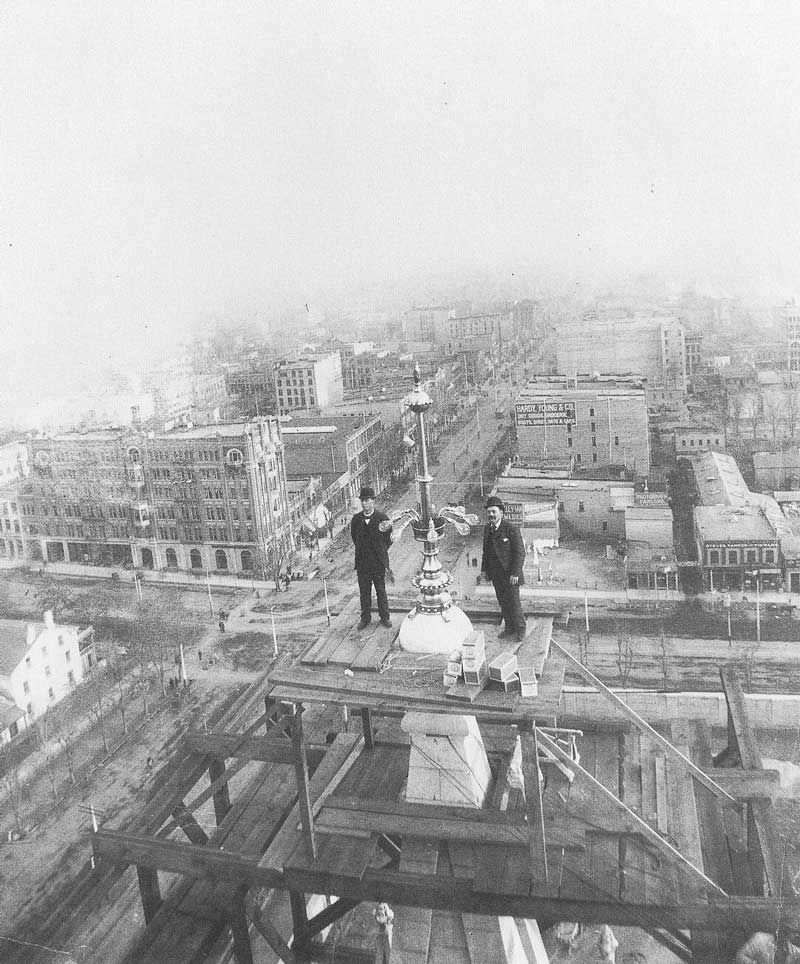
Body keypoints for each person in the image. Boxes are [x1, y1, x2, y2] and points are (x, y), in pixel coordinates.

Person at [480, 494, 526, 641]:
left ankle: (520, 630)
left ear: (501, 512)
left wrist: (515, 573)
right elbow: (486, 552)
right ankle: (509, 628)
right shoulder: (487, 529)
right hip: (496, 574)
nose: (491, 515)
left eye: (494, 511)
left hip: (510, 575)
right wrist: (484, 571)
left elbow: (520, 552)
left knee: (514, 603)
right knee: (503, 602)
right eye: (489, 512)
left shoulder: (511, 528)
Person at [350, 485, 393, 629]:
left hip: (378, 563)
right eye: (363, 500)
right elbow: (355, 538)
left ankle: (385, 617)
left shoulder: (382, 518)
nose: (365, 503)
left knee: (381, 590)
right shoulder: (356, 520)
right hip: (363, 564)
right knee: (364, 592)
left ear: (373, 501)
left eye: (367, 500)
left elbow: (388, 539)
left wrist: (380, 551)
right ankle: (365, 619)